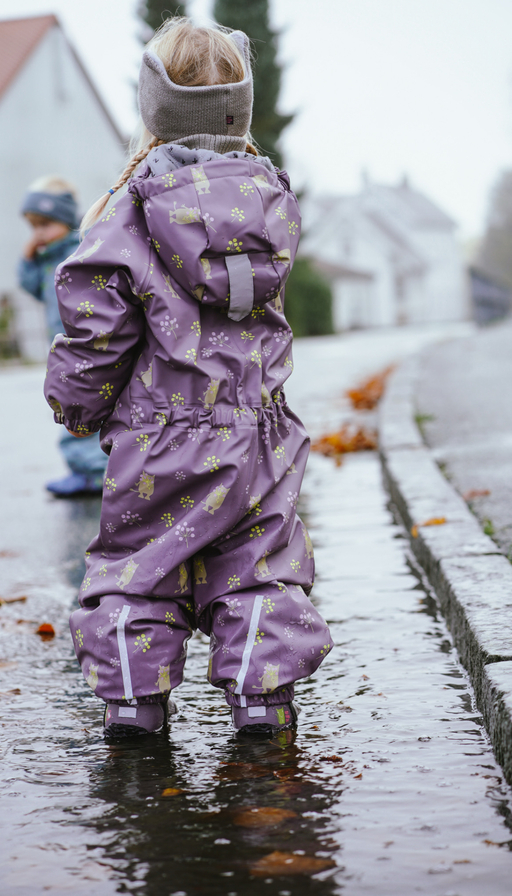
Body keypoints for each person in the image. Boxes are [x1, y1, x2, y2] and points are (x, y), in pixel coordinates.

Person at [44, 17, 333, 737]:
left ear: (154, 110)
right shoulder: (270, 206)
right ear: (242, 108)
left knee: (140, 566)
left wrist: (76, 405)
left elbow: (96, 330)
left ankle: (135, 703)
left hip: (158, 439)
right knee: (259, 564)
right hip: (258, 435)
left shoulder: (128, 217)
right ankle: (262, 698)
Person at [18, 176, 108, 496]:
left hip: (81, 344)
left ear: (67, 220)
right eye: (33, 227)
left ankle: (94, 470)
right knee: (65, 406)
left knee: (79, 405)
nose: (39, 234)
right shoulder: (44, 260)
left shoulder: (81, 248)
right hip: (60, 349)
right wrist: (28, 258)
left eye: (45, 224)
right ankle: (86, 468)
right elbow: (31, 287)